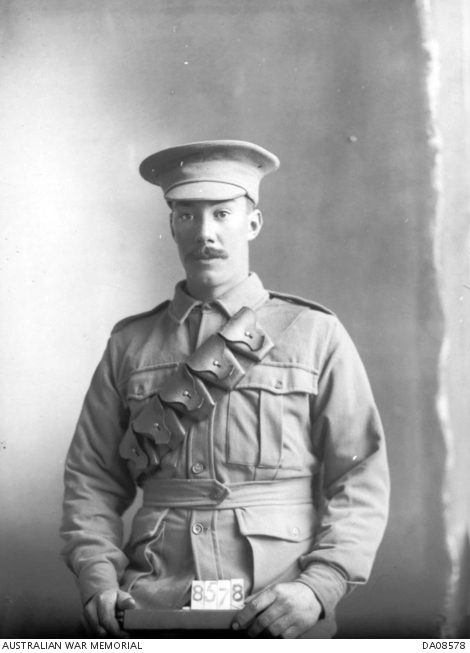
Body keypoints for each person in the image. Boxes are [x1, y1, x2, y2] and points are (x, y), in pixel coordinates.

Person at [60, 140, 389, 639]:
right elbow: (92, 480)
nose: (204, 232)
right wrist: (99, 581)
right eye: (187, 216)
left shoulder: (314, 333)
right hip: (154, 602)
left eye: (222, 214)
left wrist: (319, 586)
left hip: (278, 602)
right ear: (173, 226)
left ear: (253, 223)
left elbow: (360, 475)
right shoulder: (130, 344)